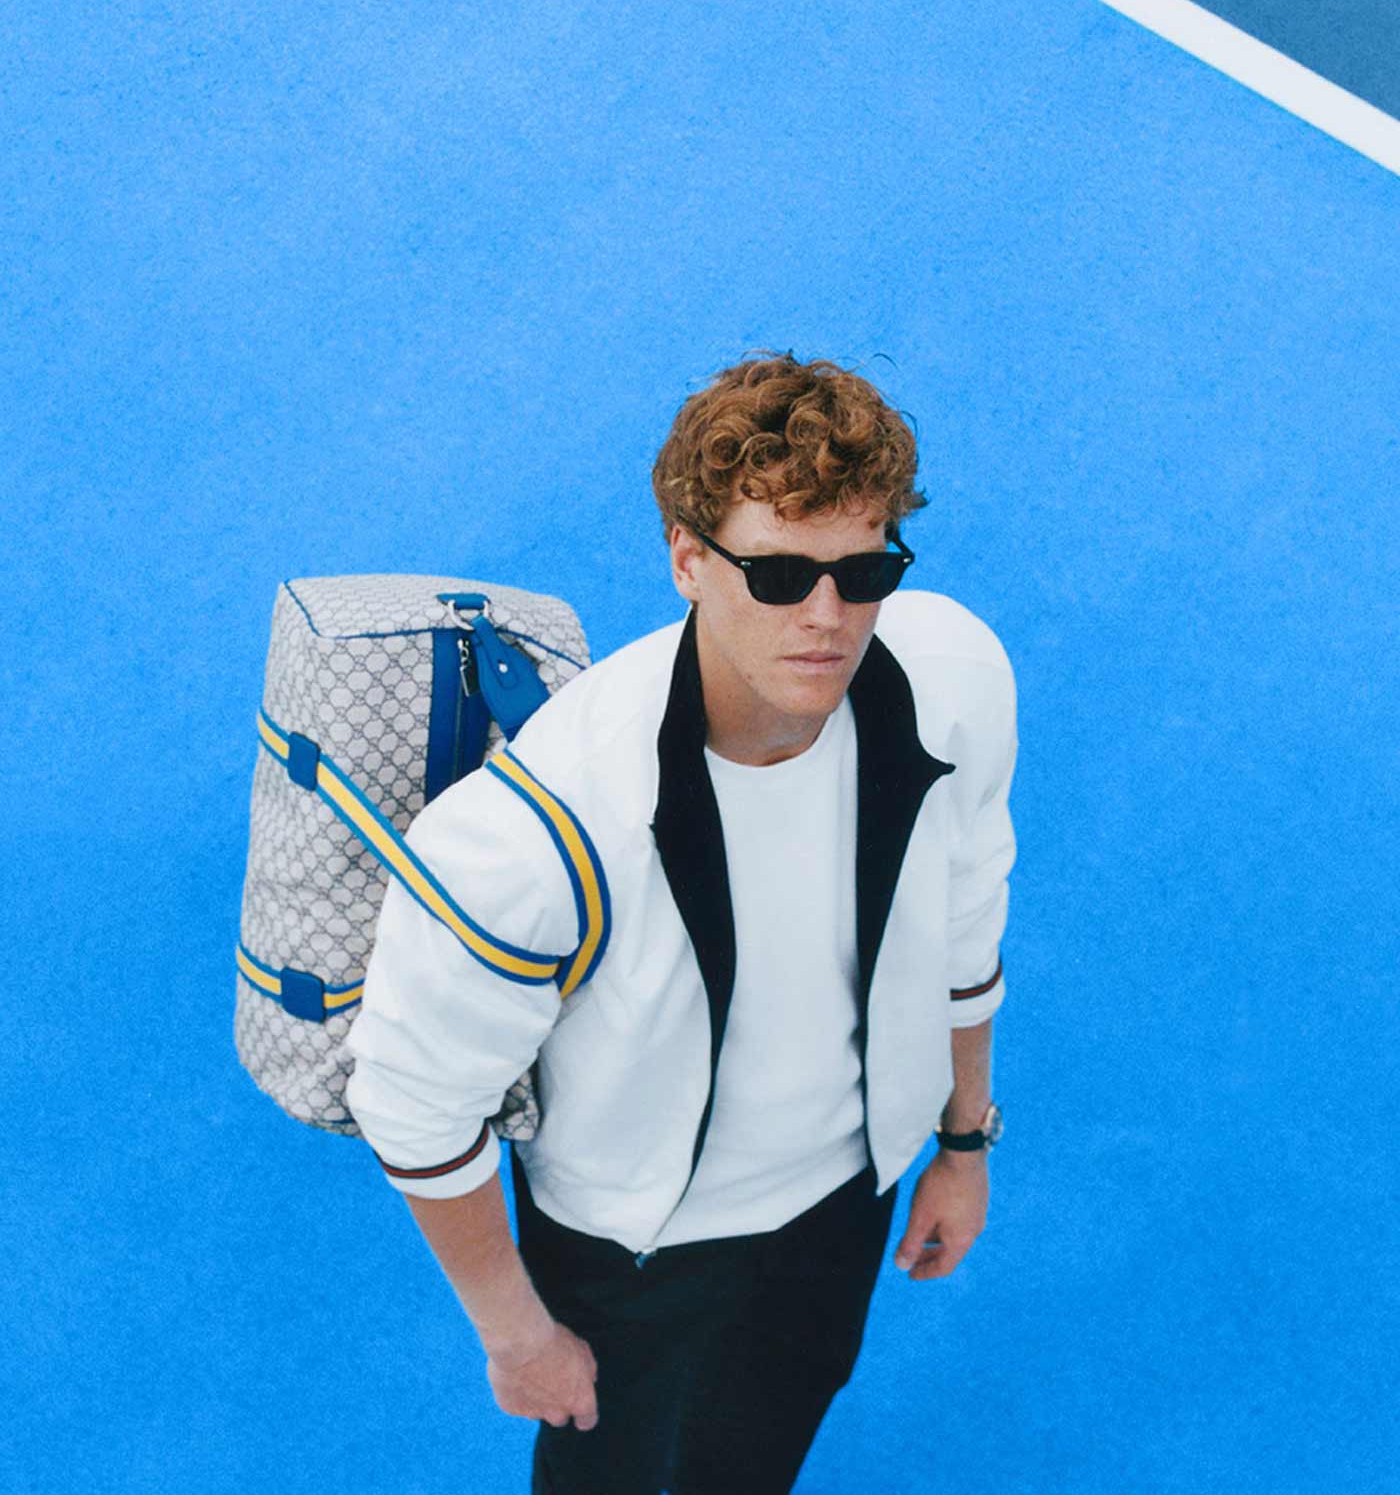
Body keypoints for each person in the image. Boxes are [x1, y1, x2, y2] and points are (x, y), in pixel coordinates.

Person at [344, 350, 1018, 1494]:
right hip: (629, 1244)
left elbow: (964, 914)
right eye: (778, 575)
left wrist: (959, 1143)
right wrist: (515, 1331)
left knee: (756, 1460)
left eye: (862, 572)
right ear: (687, 561)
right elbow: (413, 1106)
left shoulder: (951, 681)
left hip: (846, 1196)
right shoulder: (535, 832)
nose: (826, 618)